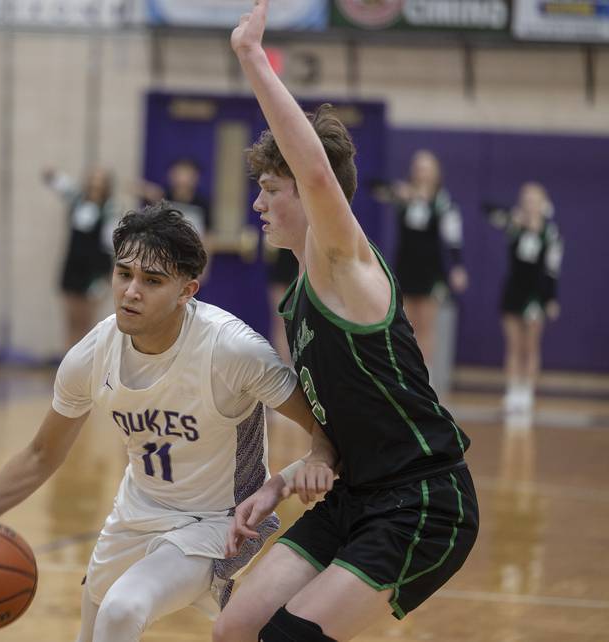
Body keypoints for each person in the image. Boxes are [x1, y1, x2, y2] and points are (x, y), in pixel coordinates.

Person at [0, 203, 337, 642]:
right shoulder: (92, 354)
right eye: (124, 274)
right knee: (95, 628)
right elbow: (42, 454)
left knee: (123, 609)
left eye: (152, 281)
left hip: (219, 521)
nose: (131, 291)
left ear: (186, 290)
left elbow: (323, 426)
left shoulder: (234, 351)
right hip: (136, 511)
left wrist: (317, 458)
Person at [213, 3, 479, 641]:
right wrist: (285, 478)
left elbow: (312, 169)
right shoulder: (299, 297)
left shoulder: (346, 264)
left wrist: (252, 55)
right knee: (233, 630)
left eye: (272, 188)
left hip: (421, 502)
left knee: (290, 639)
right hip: (355, 496)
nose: (258, 201)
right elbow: (334, 424)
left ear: (310, 193)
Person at [372, 150, 468, 368]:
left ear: (436, 173)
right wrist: (399, 192)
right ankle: (405, 373)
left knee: (426, 324)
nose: (421, 173)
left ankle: (423, 378)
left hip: (430, 270)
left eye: (426, 169)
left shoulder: (443, 203)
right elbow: (375, 188)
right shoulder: (403, 195)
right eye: (418, 168)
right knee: (404, 324)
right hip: (405, 266)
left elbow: (453, 238)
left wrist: (457, 266)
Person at [484, 182, 563, 415]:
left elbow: (552, 268)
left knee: (531, 345)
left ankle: (527, 391)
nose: (530, 204)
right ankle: (512, 390)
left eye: (534, 200)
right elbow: (487, 210)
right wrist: (512, 216)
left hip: (536, 294)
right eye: (526, 199)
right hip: (514, 291)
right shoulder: (513, 224)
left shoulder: (551, 233)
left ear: (543, 203)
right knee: (514, 345)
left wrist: (551, 298)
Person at [42, 166, 117, 348]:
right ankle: (67, 362)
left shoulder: (110, 210)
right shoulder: (78, 202)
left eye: (100, 180)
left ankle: (85, 367)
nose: (95, 184)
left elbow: (111, 245)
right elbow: (63, 186)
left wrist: (109, 275)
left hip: (95, 271)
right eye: (93, 179)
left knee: (87, 322)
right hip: (73, 266)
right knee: (70, 320)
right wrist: (52, 176)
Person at [139, 158, 212, 238]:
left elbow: (209, 233)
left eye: (188, 175)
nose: (183, 180)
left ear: (196, 177)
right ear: (171, 176)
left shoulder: (203, 204)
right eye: (179, 174)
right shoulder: (160, 198)